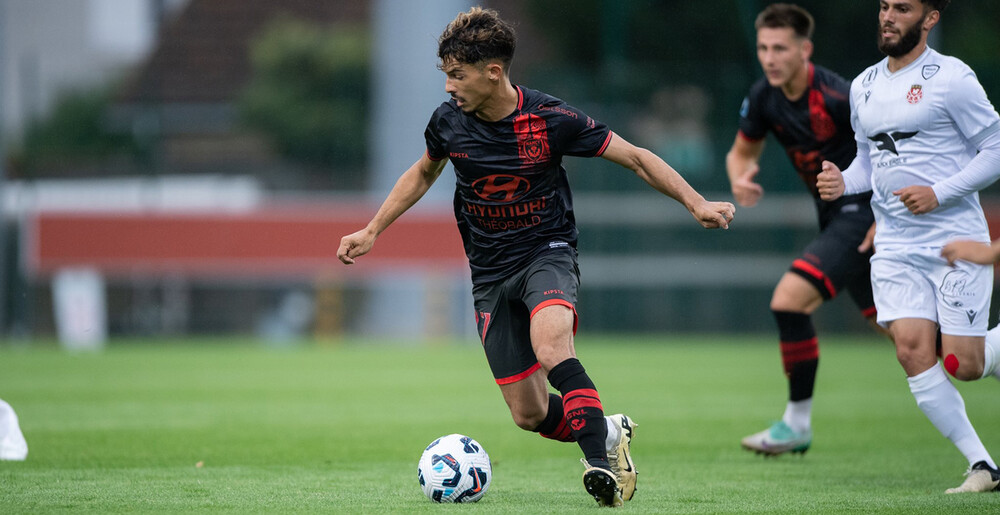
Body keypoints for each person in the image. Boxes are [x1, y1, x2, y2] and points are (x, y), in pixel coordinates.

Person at [337, 7, 735, 507]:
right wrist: (373, 229)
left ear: (493, 72)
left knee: (551, 348)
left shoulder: (551, 119)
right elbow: (423, 172)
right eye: (446, 76)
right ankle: (608, 432)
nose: (449, 87)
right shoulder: (447, 123)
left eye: (457, 75)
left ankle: (599, 463)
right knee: (529, 414)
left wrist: (696, 202)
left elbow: (635, 157)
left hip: (546, 254)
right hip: (489, 274)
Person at [817, 0, 1000, 493]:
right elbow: (869, 162)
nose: (888, 16)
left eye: (902, 8)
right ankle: (983, 465)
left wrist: (940, 192)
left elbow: (996, 149)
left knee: (964, 365)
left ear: (930, 18)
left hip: (954, 242)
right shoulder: (863, 85)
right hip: (895, 244)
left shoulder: (953, 78)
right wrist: (843, 181)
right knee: (912, 351)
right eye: (884, 6)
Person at [727, 3, 884, 457]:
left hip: (864, 217)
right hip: (836, 221)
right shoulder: (764, 96)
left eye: (780, 48)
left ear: (805, 50)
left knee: (788, 300)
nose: (769, 58)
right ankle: (987, 352)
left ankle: (796, 425)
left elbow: (890, 158)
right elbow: (741, 153)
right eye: (763, 48)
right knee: (912, 340)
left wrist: (886, 218)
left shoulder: (840, 96)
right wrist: (740, 178)